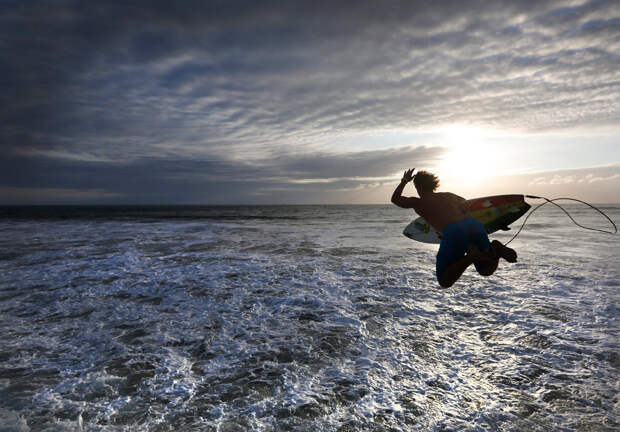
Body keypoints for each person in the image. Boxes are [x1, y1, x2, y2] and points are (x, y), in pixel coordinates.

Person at [391, 168, 517, 288]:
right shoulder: (450, 196)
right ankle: (496, 249)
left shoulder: (418, 202)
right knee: (485, 270)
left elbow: (395, 199)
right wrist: (496, 222)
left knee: (445, 281)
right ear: (433, 184)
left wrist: (404, 181)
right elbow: (472, 209)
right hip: (474, 225)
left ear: (418, 187)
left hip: (454, 232)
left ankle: (471, 257)